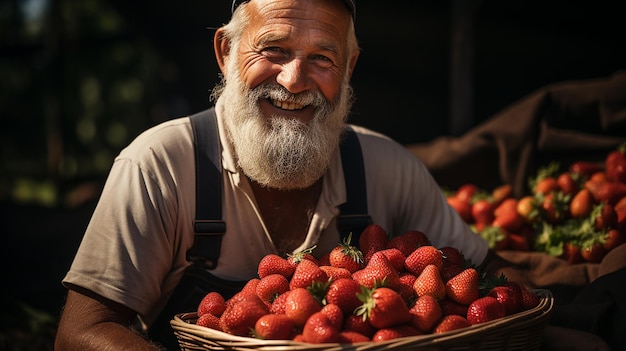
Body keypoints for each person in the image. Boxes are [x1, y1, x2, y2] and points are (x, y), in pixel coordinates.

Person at [55, 0, 509, 350]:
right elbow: (83, 332)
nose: (294, 80)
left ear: (349, 68)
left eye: (322, 58)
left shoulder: (387, 168)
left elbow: (491, 280)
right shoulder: (161, 165)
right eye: (273, 48)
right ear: (226, 51)